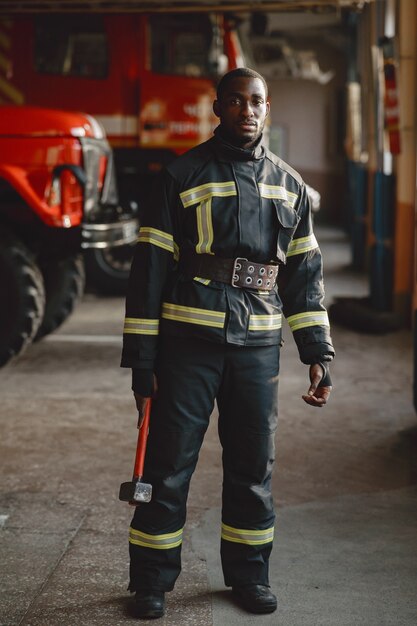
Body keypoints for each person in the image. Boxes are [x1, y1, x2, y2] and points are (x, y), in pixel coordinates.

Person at [121, 67, 334, 619]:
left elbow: (304, 277)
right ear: (217, 107)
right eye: (236, 101)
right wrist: (143, 361)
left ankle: (248, 576)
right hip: (187, 344)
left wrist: (317, 352)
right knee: (168, 466)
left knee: (252, 466)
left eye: (257, 101)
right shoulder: (180, 175)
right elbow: (147, 275)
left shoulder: (290, 186)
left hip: (259, 348)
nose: (247, 110)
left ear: (268, 107)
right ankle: (150, 582)